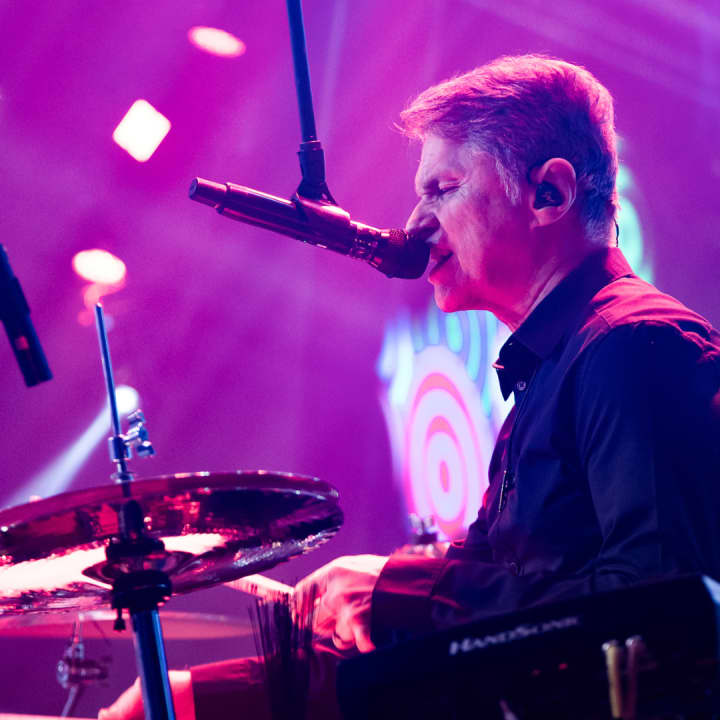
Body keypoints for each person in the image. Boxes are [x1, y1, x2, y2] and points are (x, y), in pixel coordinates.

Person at [100, 54, 720, 720]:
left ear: (550, 194)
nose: (416, 221)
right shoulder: (553, 372)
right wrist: (196, 699)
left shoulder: (634, 346)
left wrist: (403, 589)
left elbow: (663, 608)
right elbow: (483, 635)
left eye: (443, 188)